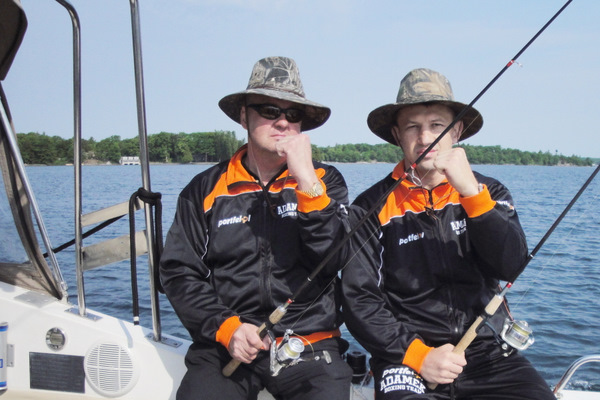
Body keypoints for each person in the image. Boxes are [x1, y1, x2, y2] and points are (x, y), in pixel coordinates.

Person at [341, 68, 555, 399]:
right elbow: (360, 299)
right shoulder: (369, 207)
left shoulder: (489, 191)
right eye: (412, 126)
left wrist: (471, 193)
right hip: (406, 357)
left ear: (456, 131)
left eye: (437, 125)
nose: (425, 137)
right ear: (397, 134)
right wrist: (418, 355)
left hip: (486, 350)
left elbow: (511, 266)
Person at [159, 56, 352, 400]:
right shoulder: (204, 189)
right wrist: (227, 328)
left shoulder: (326, 181)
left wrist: (306, 181)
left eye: (293, 114)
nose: (283, 121)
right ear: (244, 116)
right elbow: (178, 273)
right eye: (269, 110)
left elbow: (334, 258)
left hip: (309, 343)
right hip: (228, 343)